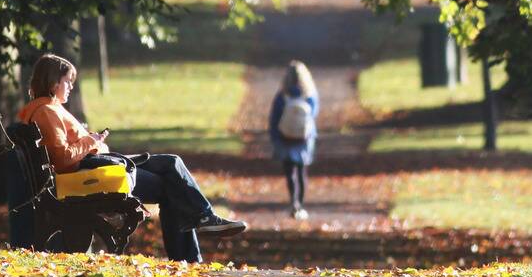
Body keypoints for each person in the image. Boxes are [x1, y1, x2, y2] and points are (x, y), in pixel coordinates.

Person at [18, 53, 245, 261]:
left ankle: (203, 225)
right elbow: (64, 158)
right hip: (91, 175)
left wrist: (91, 141)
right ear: (53, 82)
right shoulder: (47, 111)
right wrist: (92, 140)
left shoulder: (46, 108)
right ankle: (199, 234)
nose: (70, 87)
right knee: (170, 183)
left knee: (171, 163)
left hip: (98, 167)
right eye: (67, 81)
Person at [269, 60, 319, 220]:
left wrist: (275, 138)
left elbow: (274, 118)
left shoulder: (282, 95)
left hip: (285, 138)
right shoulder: (310, 95)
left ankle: (293, 202)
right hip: (304, 139)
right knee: (302, 171)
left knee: (290, 172)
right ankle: (301, 205)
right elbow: (314, 114)